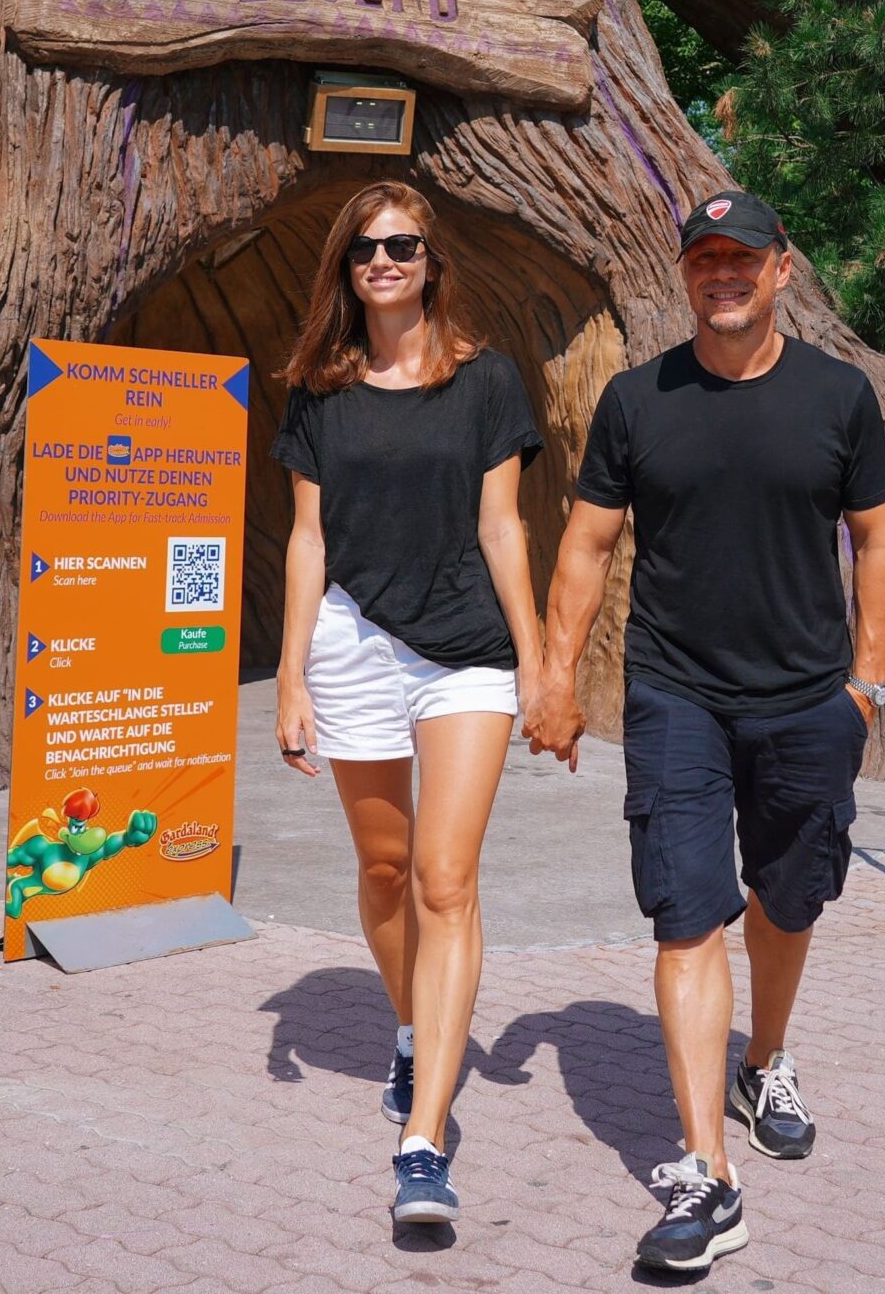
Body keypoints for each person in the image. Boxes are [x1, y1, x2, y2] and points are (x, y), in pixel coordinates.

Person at [526, 188, 885, 1274]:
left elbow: (879, 537)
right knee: (685, 915)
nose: (722, 274)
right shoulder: (638, 400)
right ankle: (706, 1173)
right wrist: (557, 678)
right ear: (684, 275)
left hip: (806, 700)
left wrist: (865, 686)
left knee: (786, 900)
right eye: (704, 260)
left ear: (782, 270)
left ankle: (765, 1059)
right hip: (675, 696)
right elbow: (587, 544)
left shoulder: (839, 397)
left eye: (743, 258)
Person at [271, 182, 545, 1227]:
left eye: (403, 245)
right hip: (350, 644)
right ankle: (410, 1026)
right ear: (345, 267)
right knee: (384, 869)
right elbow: (308, 539)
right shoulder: (318, 389)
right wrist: (290, 673)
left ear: (432, 261)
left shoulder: (486, 382)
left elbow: (504, 528)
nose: (383, 260)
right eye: (365, 248)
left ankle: (423, 1137)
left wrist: (534, 662)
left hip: (464, 656)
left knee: (442, 877)